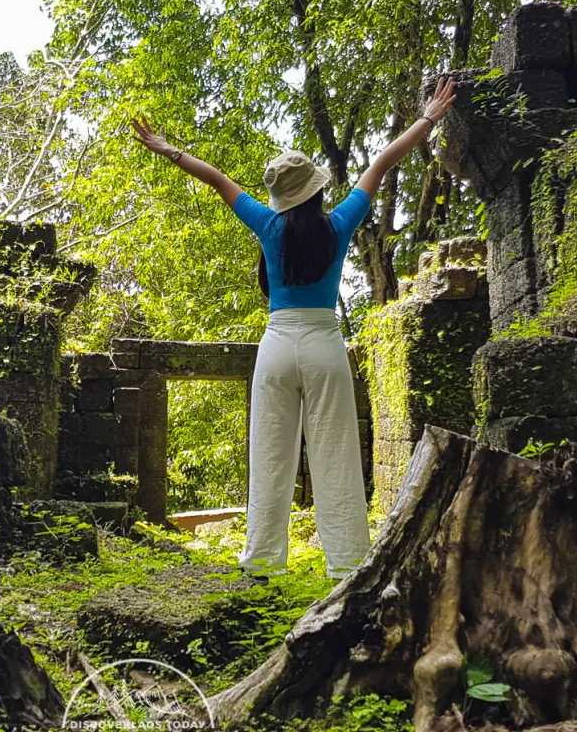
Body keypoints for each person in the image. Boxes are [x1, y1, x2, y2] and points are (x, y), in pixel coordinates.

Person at [131, 77, 458, 580]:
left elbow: (215, 177)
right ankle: (348, 564)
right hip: (324, 345)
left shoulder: (267, 224)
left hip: (277, 346)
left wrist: (165, 149)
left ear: (280, 197)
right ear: (316, 190)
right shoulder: (338, 222)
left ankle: (261, 563)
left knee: (269, 454)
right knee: (337, 457)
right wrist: (429, 117)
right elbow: (383, 162)